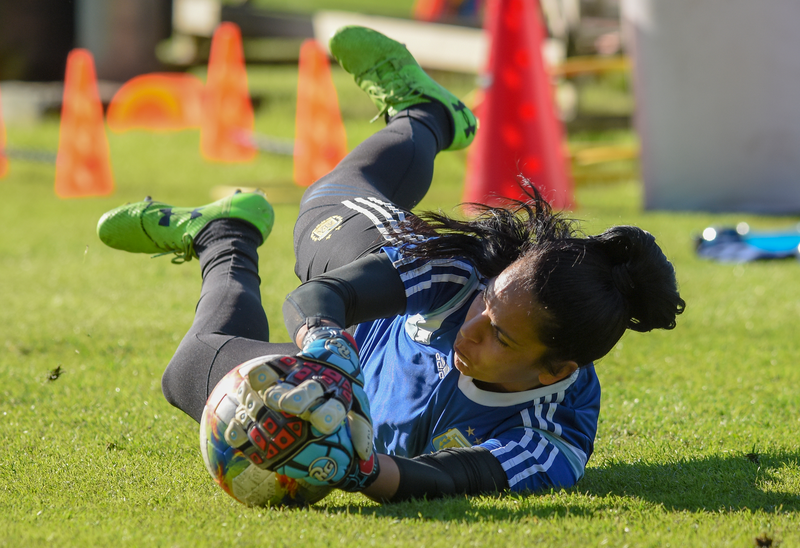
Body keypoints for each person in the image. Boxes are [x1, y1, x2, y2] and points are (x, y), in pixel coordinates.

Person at [97, 26, 685, 502]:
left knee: (187, 373)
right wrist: (326, 345)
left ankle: (226, 232)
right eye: (488, 304)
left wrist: (353, 465)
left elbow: (449, 479)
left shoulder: (550, 439)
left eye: (500, 338)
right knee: (322, 213)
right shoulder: (463, 276)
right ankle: (426, 114)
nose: (473, 326)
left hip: (353, 416)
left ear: (552, 371)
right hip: (363, 328)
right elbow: (316, 298)